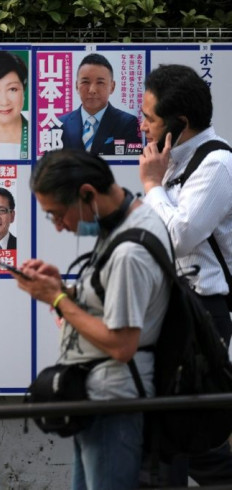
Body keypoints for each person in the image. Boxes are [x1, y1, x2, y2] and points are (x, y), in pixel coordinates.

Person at [11, 148, 170, 490]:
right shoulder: (125, 222)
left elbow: (121, 344)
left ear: (87, 194)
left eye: (57, 214)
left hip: (113, 400)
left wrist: (54, 299)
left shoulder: (130, 252)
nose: (58, 226)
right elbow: (109, 302)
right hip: (95, 396)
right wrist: (63, 290)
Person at [138, 63, 232, 486]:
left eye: (150, 118)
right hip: (179, 309)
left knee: (188, 431)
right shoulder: (175, 161)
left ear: (180, 123)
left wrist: (153, 186)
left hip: (206, 314)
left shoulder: (216, 166)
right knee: (175, 429)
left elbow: (179, 236)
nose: (142, 126)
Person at [59, 53, 141, 156]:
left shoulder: (128, 124)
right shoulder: (60, 125)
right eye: (85, 82)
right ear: (76, 86)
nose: (92, 90)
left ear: (112, 86)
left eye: (100, 83)